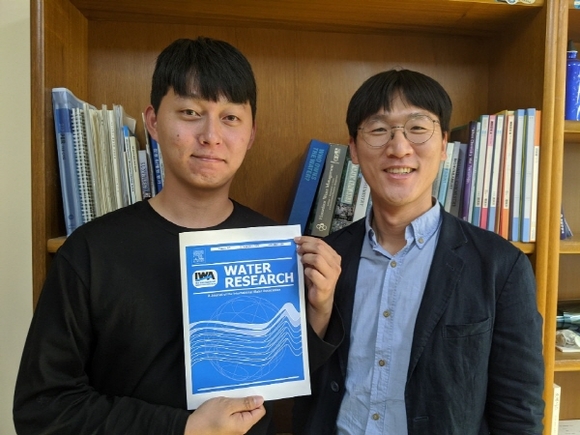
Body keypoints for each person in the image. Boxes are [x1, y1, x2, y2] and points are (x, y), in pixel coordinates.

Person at [13, 37, 340, 435]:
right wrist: (182, 428)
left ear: (251, 133)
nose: (211, 135)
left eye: (230, 117)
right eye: (190, 112)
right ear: (153, 121)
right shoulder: (91, 250)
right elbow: (41, 408)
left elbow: (286, 377)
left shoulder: (276, 246)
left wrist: (319, 311)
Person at [294, 69, 545, 434]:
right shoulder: (324, 259)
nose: (399, 148)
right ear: (354, 150)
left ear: (443, 145)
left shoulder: (500, 267)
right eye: (378, 129)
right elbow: (300, 380)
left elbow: (518, 412)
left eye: (417, 128)